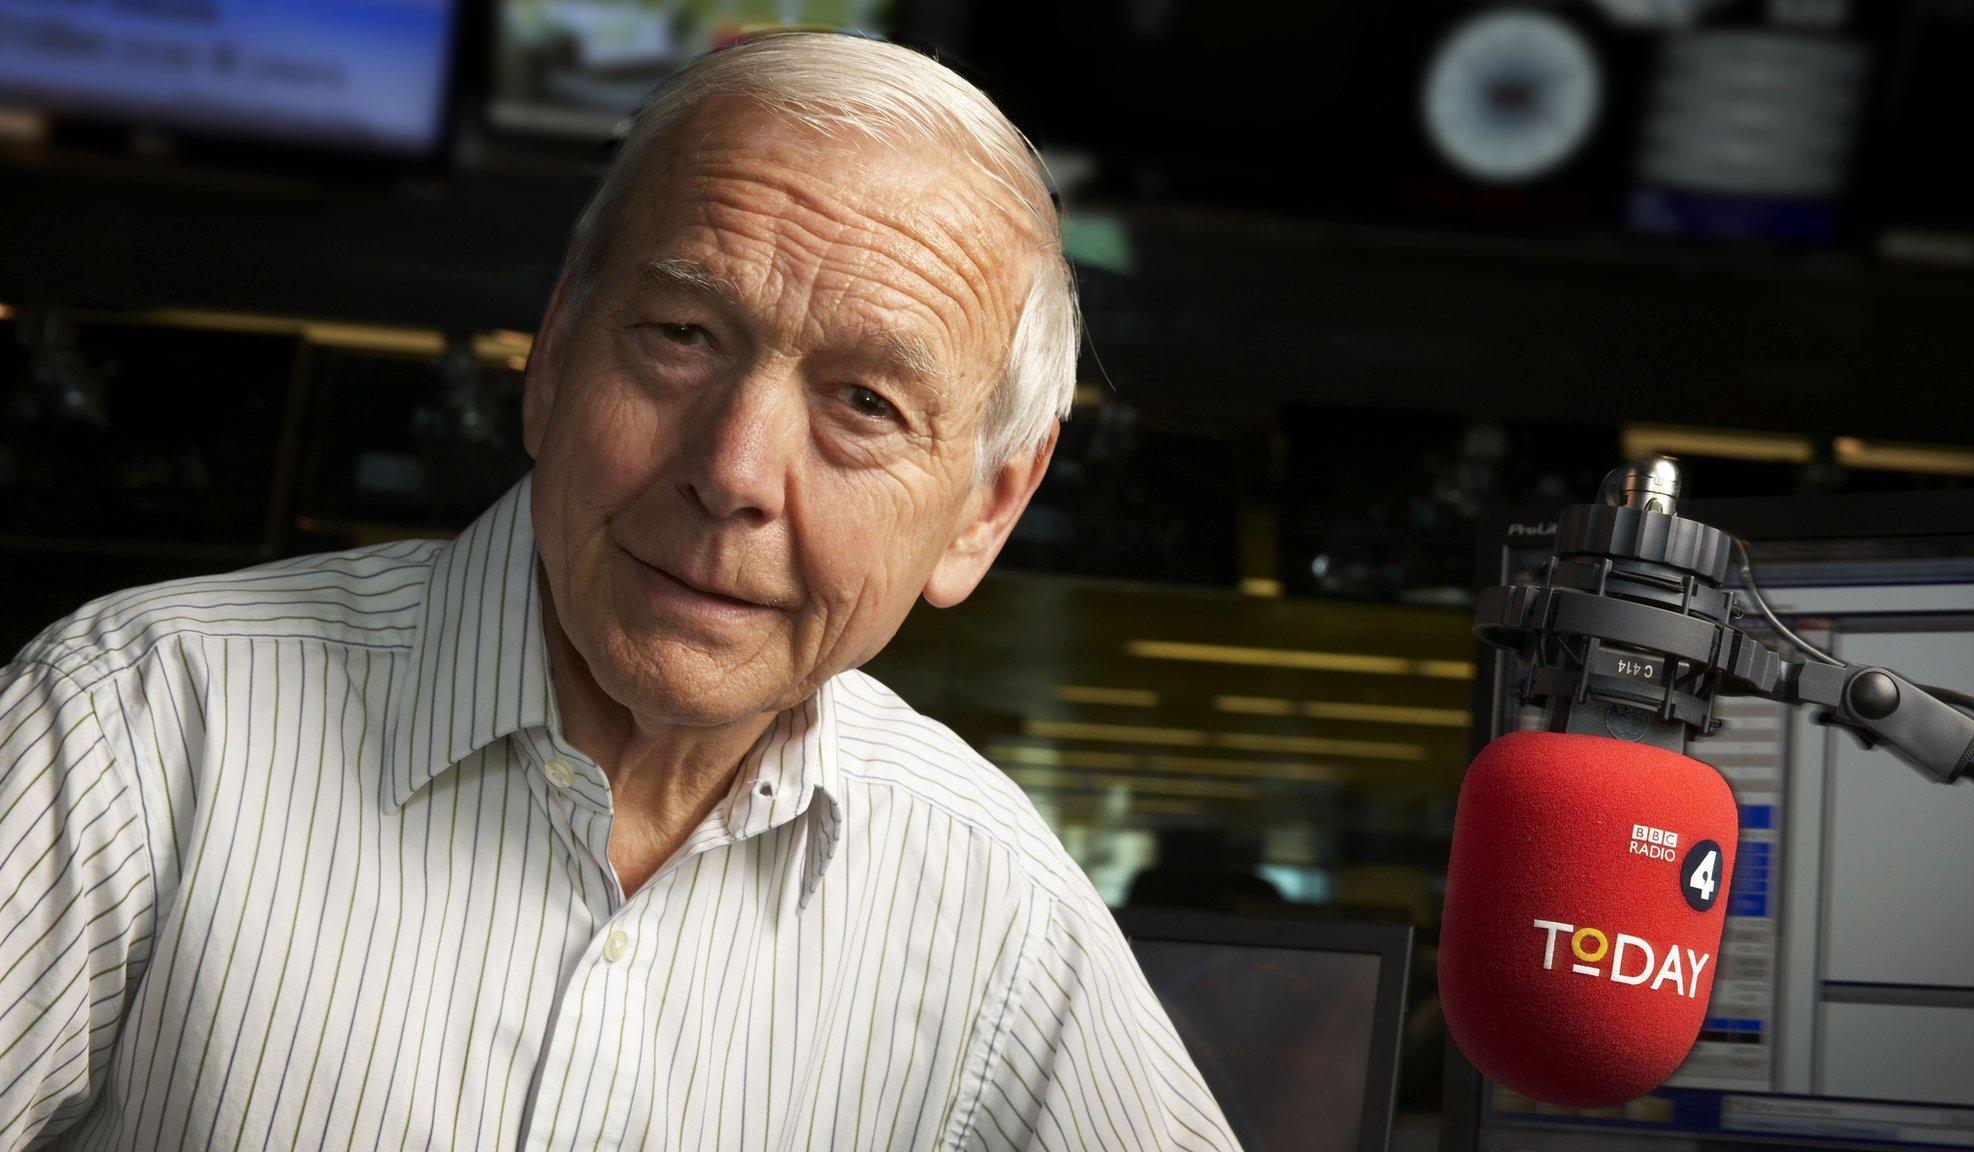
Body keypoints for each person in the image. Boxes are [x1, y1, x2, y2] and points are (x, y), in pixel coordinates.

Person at [0, 33, 1242, 1151]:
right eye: (681, 336)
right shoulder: (141, 726)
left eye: (864, 405)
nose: (732, 471)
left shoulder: (994, 903)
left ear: (986, 509)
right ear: (555, 343)